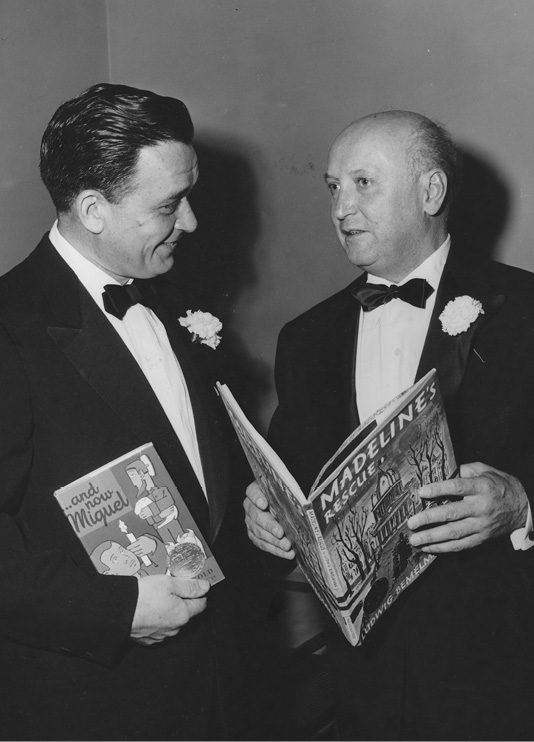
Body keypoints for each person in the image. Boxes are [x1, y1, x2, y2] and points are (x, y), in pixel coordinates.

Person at [245, 110, 534, 740]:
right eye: (332, 186)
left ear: (431, 192)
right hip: (363, 680)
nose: (340, 207)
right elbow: (294, 477)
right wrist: (266, 512)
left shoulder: (527, 312)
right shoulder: (306, 339)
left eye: (363, 183)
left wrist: (521, 504)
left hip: (502, 667)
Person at [0, 83, 270, 741]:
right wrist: (115, 610)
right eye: (170, 206)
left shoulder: (172, 299)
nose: (194, 223)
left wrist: (251, 507)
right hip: (93, 707)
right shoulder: (11, 328)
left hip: (214, 691)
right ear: (92, 209)